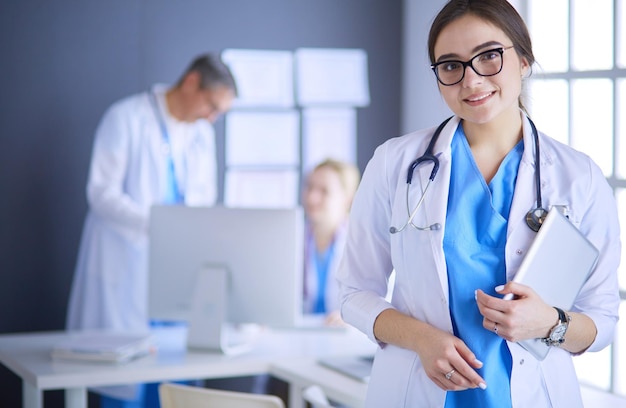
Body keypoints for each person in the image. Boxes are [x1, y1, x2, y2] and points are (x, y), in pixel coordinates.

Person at [336, 1, 621, 407]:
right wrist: (422, 339)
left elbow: (602, 322)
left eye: (489, 56)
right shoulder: (394, 164)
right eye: (451, 65)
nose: (471, 80)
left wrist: (549, 323)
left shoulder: (580, 178)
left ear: (524, 60)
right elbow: (353, 293)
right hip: (419, 391)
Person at [66, 53, 237, 407]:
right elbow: (100, 192)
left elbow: (205, 200)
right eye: (211, 105)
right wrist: (159, 225)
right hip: (126, 265)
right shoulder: (126, 118)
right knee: (125, 384)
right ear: (191, 83)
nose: (212, 117)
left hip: (177, 270)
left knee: (176, 382)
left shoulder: (202, 135)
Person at [302, 158, 360, 325]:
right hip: (301, 335)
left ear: (347, 198)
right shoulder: (293, 239)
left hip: (345, 339)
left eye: (324, 191)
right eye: (309, 187)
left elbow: (384, 299)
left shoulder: (361, 241)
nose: (312, 197)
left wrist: (352, 317)